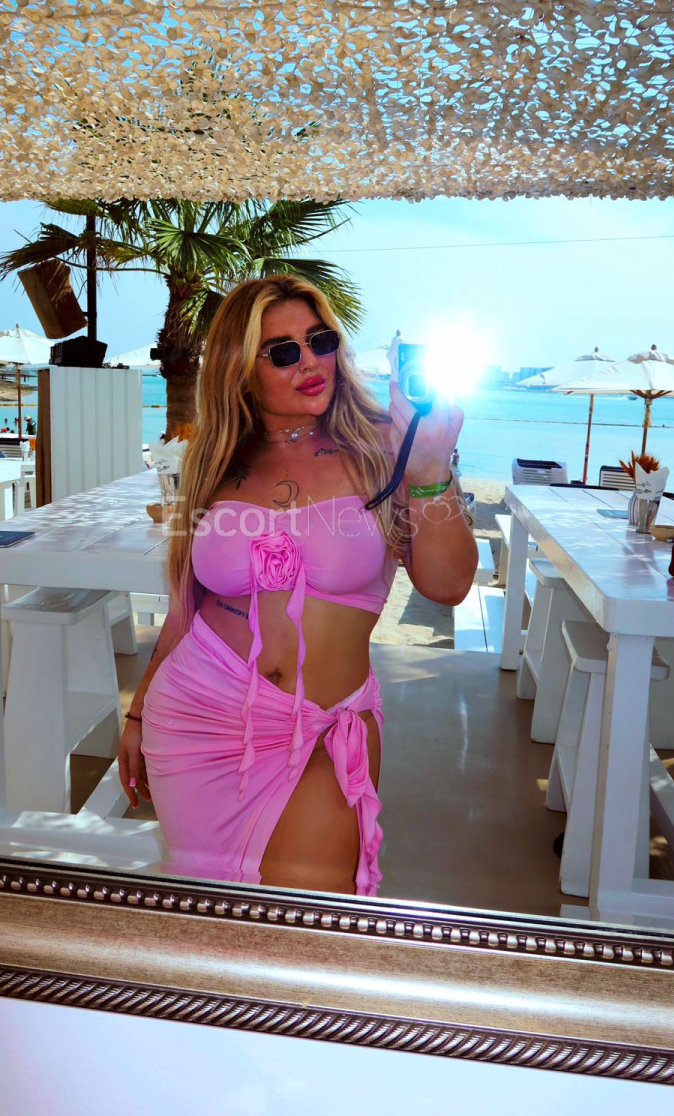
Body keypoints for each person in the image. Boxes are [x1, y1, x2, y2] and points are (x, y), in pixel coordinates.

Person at [118, 276, 478, 895]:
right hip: (196, 719)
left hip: (323, 731)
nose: (310, 361)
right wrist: (138, 711)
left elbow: (448, 586)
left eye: (320, 340)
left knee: (300, 924)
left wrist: (429, 470)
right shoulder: (217, 458)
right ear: (239, 368)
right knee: (209, 916)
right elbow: (186, 609)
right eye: (282, 351)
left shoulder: (386, 444)